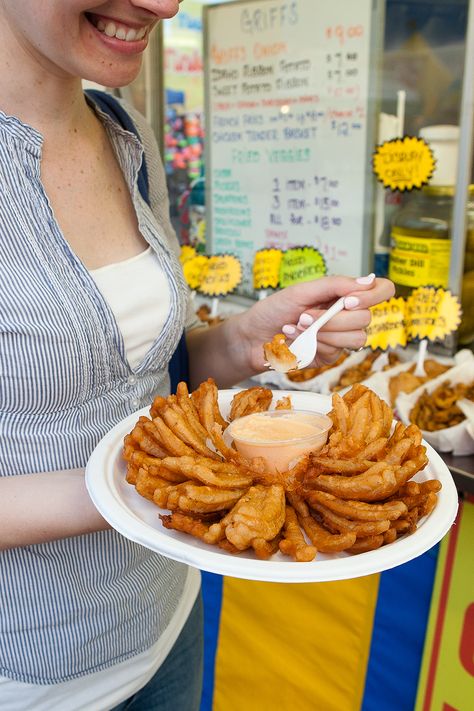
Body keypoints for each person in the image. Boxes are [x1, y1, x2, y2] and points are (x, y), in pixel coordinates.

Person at [0, 2, 395, 710]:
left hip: (167, 620)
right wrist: (141, 483)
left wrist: (243, 343)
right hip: (28, 675)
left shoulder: (126, 133)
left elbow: (151, 383)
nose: (165, 4)